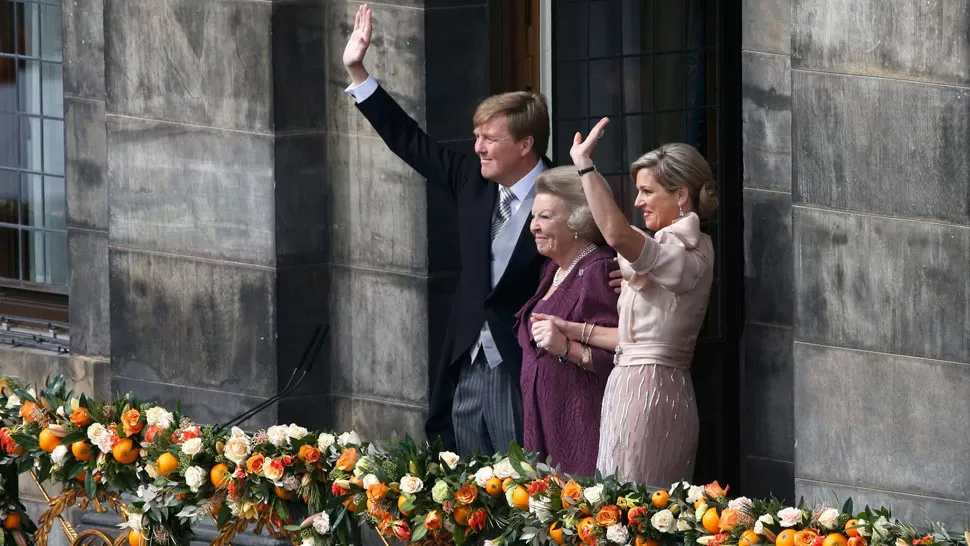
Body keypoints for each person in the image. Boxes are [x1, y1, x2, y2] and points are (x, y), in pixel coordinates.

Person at [341, 4, 549, 455]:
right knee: (467, 491)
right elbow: (409, 141)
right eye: (476, 137)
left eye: (489, 140)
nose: (477, 148)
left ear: (526, 144)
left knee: (525, 494)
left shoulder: (565, 193)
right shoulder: (471, 181)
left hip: (524, 369)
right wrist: (358, 71)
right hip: (466, 364)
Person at [536, 119, 718, 486]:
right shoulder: (667, 250)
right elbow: (631, 341)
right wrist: (570, 330)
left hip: (648, 388)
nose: (638, 202)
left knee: (630, 504)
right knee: (625, 507)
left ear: (681, 195)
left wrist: (584, 165)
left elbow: (617, 233)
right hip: (637, 381)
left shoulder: (686, 252)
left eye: (647, 192)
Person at [514, 167, 618, 476]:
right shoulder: (552, 270)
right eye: (534, 217)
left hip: (578, 428)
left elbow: (617, 357)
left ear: (578, 221)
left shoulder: (598, 270)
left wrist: (566, 347)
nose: (534, 227)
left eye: (545, 217)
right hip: (543, 424)